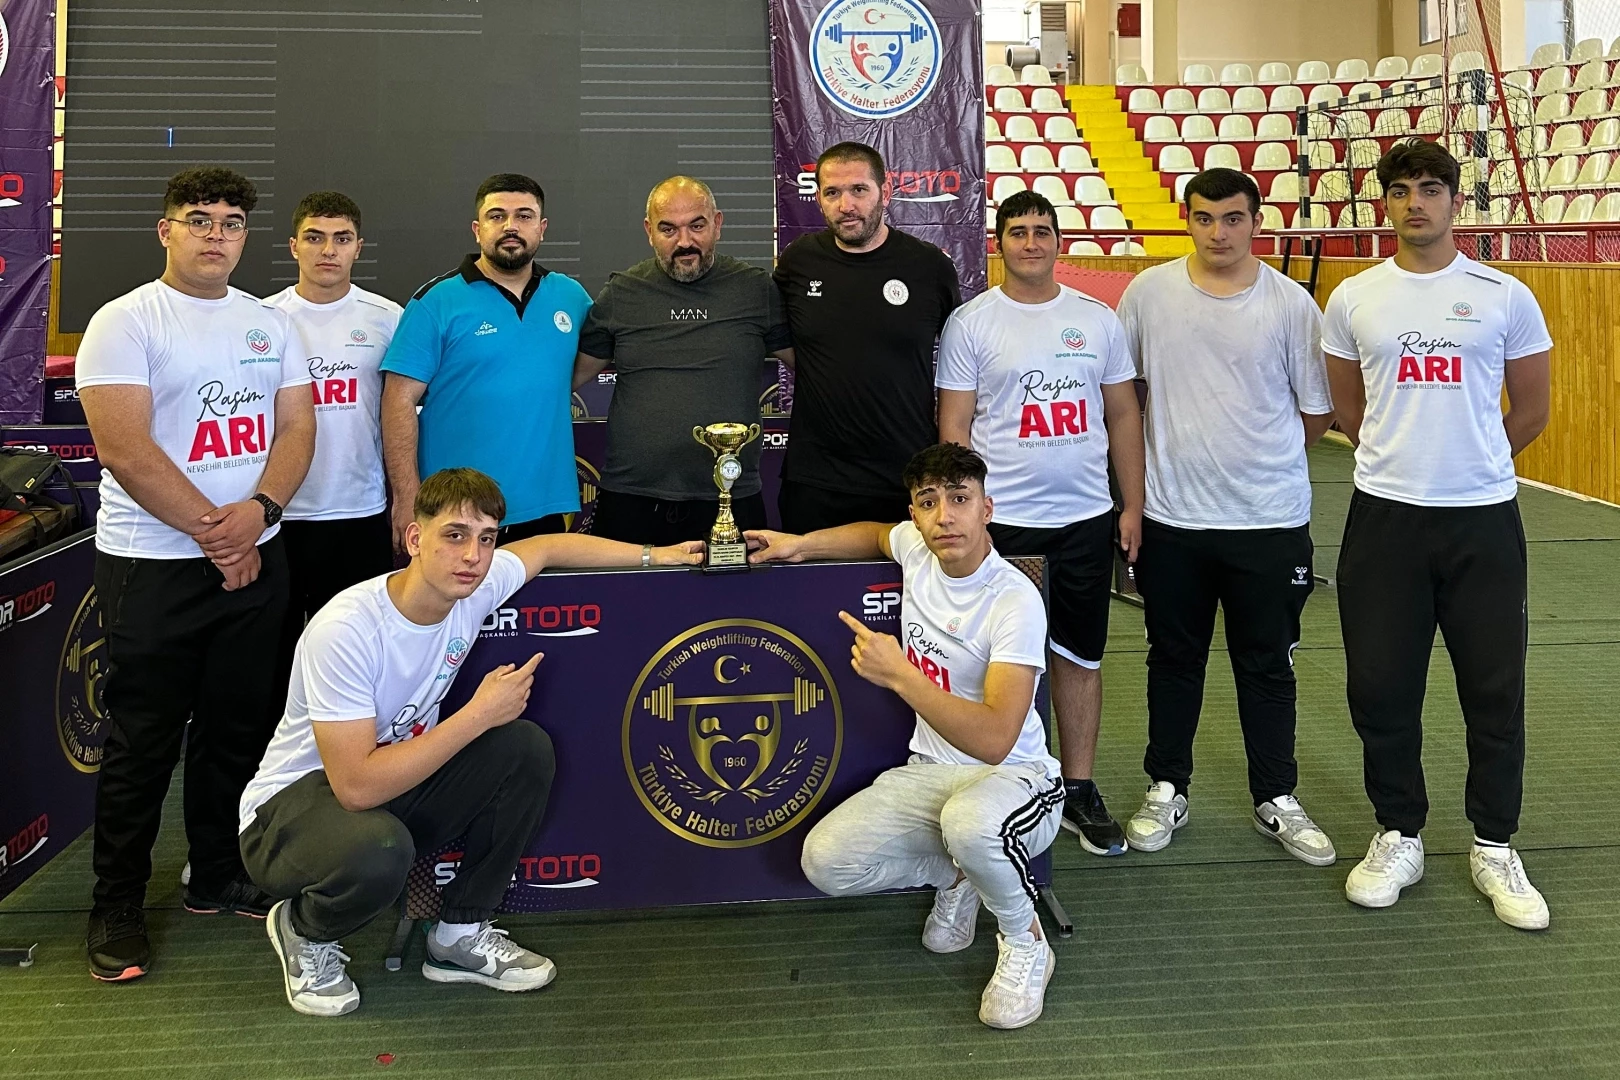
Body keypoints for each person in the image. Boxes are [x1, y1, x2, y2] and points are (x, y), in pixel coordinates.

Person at [238, 468, 704, 1016]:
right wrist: (477, 715)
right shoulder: (347, 629)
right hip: (288, 811)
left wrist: (657, 555)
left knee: (523, 748)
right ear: (415, 539)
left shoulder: (473, 587)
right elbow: (356, 786)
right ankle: (304, 930)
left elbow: (549, 547)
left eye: (486, 539)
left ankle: (459, 934)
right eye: (455, 535)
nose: (473, 556)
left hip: (385, 790)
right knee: (380, 848)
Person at [74, 166, 316, 981]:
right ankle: (115, 902)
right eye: (199, 219)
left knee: (237, 729)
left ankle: (215, 870)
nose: (217, 234)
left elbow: (295, 428)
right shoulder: (125, 321)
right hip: (152, 566)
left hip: (257, 556)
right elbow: (125, 449)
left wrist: (262, 513)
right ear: (166, 230)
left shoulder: (269, 322)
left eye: (232, 222)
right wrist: (220, 535)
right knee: (142, 741)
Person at [747, 444, 1064, 1031]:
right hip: (929, 774)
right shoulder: (918, 549)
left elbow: (996, 738)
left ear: (987, 508)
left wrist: (900, 675)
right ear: (914, 515)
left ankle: (1025, 940)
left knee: (970, 823)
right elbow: (873, 535)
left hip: (1017, 780)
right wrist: (799, 545)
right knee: (826, 862)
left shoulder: (1013, 599)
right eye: (928, 502)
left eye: (960, 499)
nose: (945, 516)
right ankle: (959, 874)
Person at [1324, 139, 1553, 929]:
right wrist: (1405, 460)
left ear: (1456, 201)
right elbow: (1349, 410)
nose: (1415, 202)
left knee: (1494, 688)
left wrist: (1473, 461)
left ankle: (1494, 842)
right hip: (1385, 519)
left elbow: (1532, 410)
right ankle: (1399, 832)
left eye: (1430, 188)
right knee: (1381, 685)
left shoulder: (1504, 295)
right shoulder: (1355, 297)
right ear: (1384, 203)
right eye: (1400, 190)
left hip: (1482, 519)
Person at [1114, 168, 1337, 866]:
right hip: (1174, 520)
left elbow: (1315, 413)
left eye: (1233, 218)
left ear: (1256, 222)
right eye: (1205, 218)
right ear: (1187, 220)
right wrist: (1138, 498)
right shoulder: (1148, 295)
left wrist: (1255, 460)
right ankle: (1166, 786)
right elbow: (1125, 395)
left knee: (1267, 665)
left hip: (1269, 523)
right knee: (1172, 659)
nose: (1219, 232)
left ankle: (1276, 796)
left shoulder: (1291, 305)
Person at [936, 190, 1144, 858]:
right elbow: (954, 427)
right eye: (1018, 231)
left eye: (1043, 230)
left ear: (1059, 241)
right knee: (1001, 662)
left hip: (1083, 521)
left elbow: (1123, 415)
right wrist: (964, 515)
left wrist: (1131, 504)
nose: (1031, 242)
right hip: (1005, 528)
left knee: (1079, 656)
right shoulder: (971, 323)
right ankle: (1009, 790)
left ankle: (1077, 788)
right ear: (998, 243)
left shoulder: (1096, 321)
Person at [572, 176, 793, 544]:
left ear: (717, 224)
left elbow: (816, 370)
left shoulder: (756, 289)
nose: (684, 241)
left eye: (697, 226)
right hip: (631, 497)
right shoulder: (622, 292)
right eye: (668, 229)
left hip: (732, 494)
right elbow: (565, 380)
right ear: (649, 231)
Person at [380, 173, 591, 548]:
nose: (511, 226)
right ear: (477, 230)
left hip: (545, 507)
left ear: (542, 229)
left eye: (524, 216)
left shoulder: (571, 296)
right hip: (456, 509)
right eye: (497, 216)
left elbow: (586, 363)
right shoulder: (436, 301)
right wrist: (407, 496)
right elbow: (398, 400)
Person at [772, 141, 961, 533]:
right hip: (816, 481)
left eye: (859, 190)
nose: (846, 205)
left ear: (885, 192)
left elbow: (962, 365)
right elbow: (783, 340)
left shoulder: (930, 267)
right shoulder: (798, 262)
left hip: (906, 477)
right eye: (832, 193)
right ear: (818, 198)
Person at [266, 191, 402, 713]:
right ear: (293, 246)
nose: (328, 250)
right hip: (278, 516)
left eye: (341, 239)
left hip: (359, 514)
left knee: (352, 656)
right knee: (274, 658)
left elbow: (404, 414)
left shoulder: (387, 318)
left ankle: (349, 753)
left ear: (358, 247)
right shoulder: (264, 318)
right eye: (315, 238)